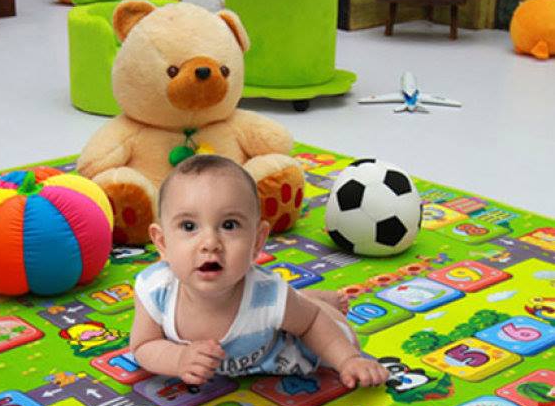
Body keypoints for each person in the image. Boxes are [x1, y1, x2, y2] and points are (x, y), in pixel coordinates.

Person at [130, 155, 389, 388]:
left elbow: (311, 323)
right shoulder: (156, 289)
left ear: (257, 241)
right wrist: (178, 359)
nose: (210, 243)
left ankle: (313, 301)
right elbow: (143, 345)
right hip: (276, 315)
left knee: (334, 331)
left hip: (277, 347)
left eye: (229, 225)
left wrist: (349, 360)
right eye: (189, 226)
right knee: (294, 306)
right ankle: (307, 297)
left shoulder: (269, 295)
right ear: (162, 243)